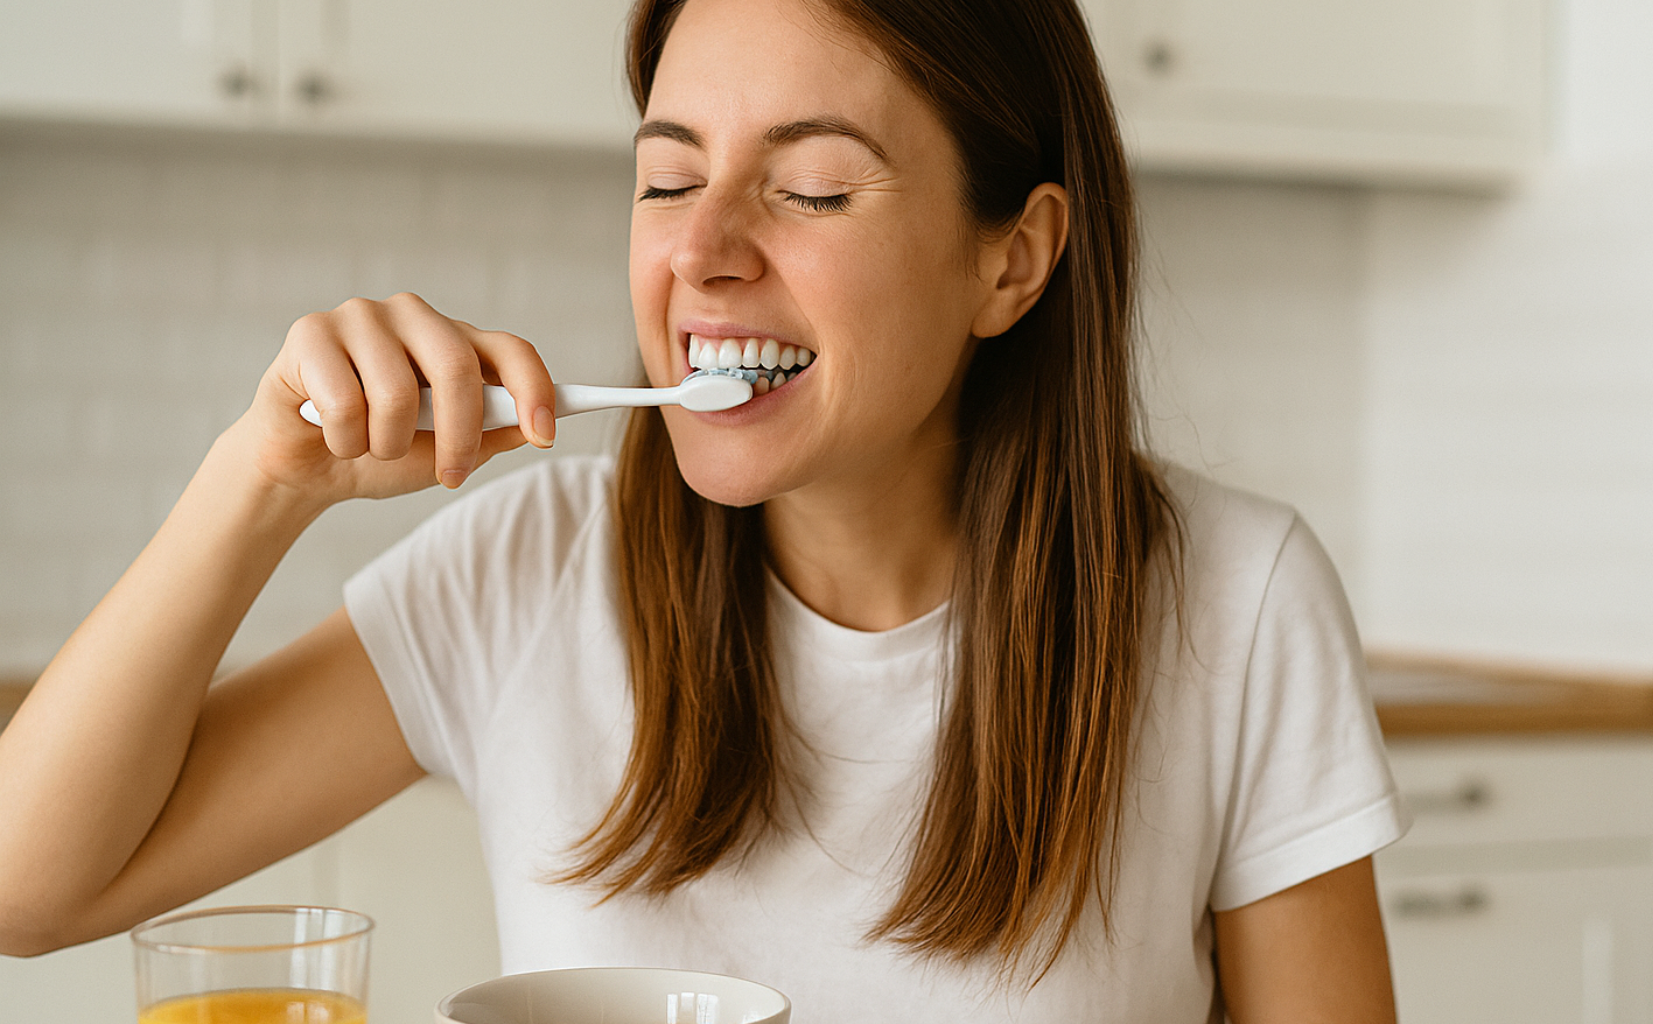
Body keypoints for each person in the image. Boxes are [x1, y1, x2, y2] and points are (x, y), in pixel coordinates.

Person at [0, 0, 1408, 1019]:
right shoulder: (524, 575)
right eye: (667, 177)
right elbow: (27, 892)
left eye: (808, 187)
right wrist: (258, 486)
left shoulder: (1238, 597)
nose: (701, 249)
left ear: (1014, 260)